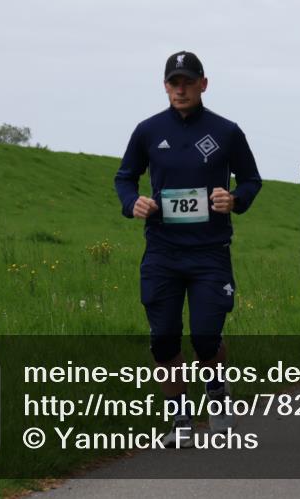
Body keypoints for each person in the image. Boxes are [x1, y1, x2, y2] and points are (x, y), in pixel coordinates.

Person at [114, 51, 263, 447]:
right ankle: (180, 418)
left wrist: (234, 199)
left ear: (203, 84)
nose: (180, 89)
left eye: (187, 82)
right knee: (163, 338)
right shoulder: (147, 131)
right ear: (165, 86)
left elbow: (251, 180)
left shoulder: (227, 132)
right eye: (173, 82)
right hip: (162, 250)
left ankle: (216, 393)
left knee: (205, 336)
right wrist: (133, 203)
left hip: (210, 251)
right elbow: (125, 177)